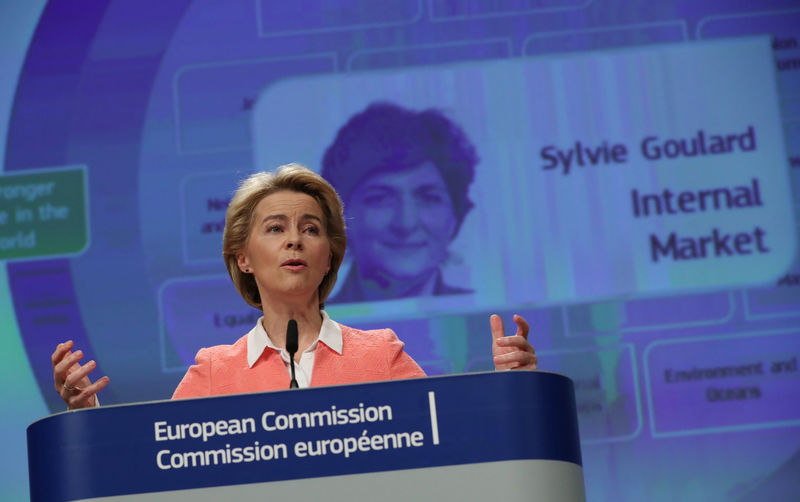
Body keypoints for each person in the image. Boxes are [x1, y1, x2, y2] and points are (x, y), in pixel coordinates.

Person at [51, 164, 537, 409]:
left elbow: (449, 449)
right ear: (243, 257)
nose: (294, 241)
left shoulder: (380, 357)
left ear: (329, 256)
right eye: (276, 228)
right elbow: (154, 478)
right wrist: (90, 419)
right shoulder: (214, 374)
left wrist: (514, 390)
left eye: (310, 228)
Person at [321, 102, 477, 302]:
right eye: (379, 199)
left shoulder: (491, 316)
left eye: (428, 198)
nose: (406, 223)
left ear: (456, 215)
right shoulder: (308, 329)